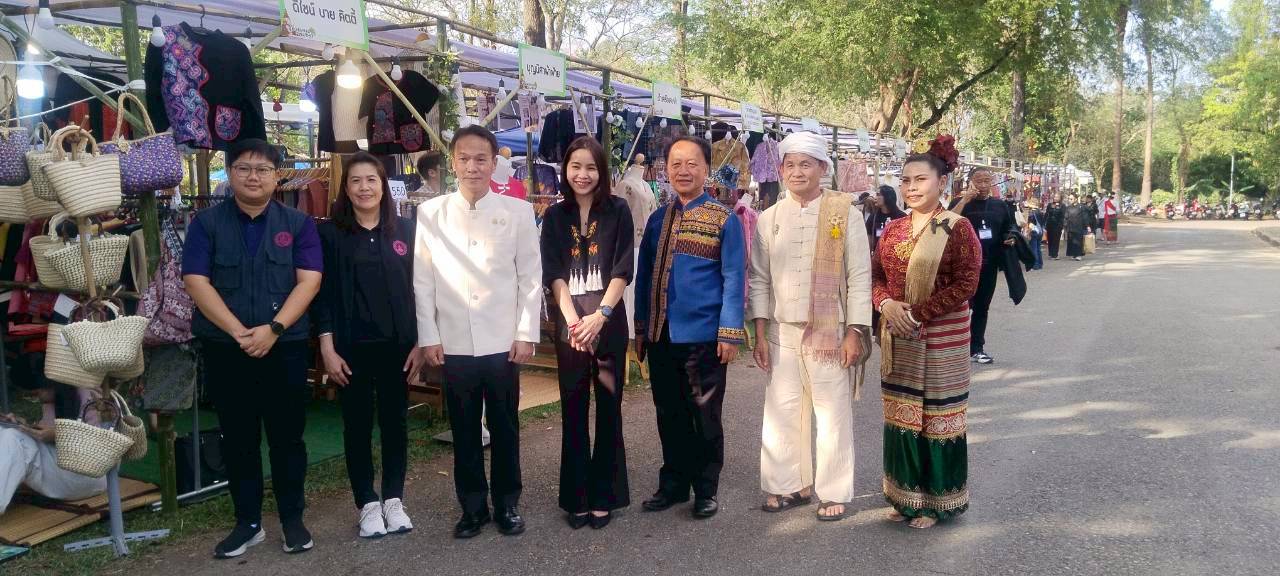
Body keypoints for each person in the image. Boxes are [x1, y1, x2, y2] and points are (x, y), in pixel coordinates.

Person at [183, 139, 323, 559]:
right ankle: (247, 522)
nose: (253, 177)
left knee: (287, 437)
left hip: (285, 348)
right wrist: (240, 332)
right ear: (230, 173)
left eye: (263, 169)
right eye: (243, 168)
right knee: (238, 438)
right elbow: (195, 280)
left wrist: (274, 329)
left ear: (277, 176)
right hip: (227, 349)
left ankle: (292, 519)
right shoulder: (206, 223)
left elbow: (309, 281)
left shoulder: (298, 223)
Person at [413, 125, 542, 539]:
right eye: (464, 159)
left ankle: (507, 503)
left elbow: (530, 278)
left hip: (503, 341)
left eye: (480, 159)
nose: (472, 167)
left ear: (493, 163)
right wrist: (429, 336)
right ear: (452, 163)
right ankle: (472, 507)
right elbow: (423, 280)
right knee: (464, 429)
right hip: (453, 341)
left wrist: (525, 332)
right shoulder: (431, 213)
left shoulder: (518, 212)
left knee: (505, 426)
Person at [748, 132, 871, 522]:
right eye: (790, 164)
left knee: (831, 414)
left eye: (806, 164)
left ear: (823, 168)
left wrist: (855, 331)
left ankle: (832, 491)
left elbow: (859, 276)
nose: (797, 172)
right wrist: (759, 332)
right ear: (781, 169)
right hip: (781, 332)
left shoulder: (845, 214)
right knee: (783, 411)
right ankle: (791, 485)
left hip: (831, 331)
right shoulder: (768, 218)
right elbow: (759, 279)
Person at [871, 135, 981, 529]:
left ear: (942, 183)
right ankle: (905, 496)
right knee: (902, 414)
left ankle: (936, 502)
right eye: (905, 180)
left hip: (941, 338)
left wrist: (917, 313)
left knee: (937, 416)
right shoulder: (893, 229)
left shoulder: (958, 228)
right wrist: (886, 304)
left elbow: (966, 283)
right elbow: (876, 276)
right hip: (899, 335)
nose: (911, 187)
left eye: (920, 179)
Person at [312, 152, 424, 539]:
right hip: (350, 349)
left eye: (371, 180)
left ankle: (393, 499)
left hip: (398, 348)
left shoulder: (406, 230)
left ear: (383, 186)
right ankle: (367, 504)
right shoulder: (330, 235)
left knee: (395, 424)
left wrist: (421, 342)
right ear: (346, 188)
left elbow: (422, 290)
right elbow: (322, 296)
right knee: (356, 426)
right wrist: (327, 348)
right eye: (356, 181)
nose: (364, 188)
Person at [634, 135, 745, 519]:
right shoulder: (656, 219)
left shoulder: (724, 219)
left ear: (706, 169)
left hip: (704, 338)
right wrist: (641, 328)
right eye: (676, 163)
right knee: (669, 413)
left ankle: (706, 488)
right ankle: (674, 484)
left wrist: (729, 332)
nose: (683, 170)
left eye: (692, 163)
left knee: (705, 415)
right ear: (666, 169)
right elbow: (644, 277)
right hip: (661, 334)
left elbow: (734, 278)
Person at [540, 137, 634, 530]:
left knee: (609, 410)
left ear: (602, 171)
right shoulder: (554, 215)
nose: (583, 174)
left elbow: (623, 269)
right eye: (575, 166)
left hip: (608, 324)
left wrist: (601, 316)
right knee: (573, 410)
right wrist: (574, 322)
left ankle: (605, 496)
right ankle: (576, 496)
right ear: (565, 170)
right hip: (571, 329)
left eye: (591, 167)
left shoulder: (618, 210)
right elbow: (553, 274)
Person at [949, 167, 1017, 365]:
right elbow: (945, 223)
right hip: (962, 266)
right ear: (970, 182)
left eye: (987, 181)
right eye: (979, 181)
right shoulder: (959, 203)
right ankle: (953, 348)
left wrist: (1010, 237)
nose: (983, 185)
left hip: (989, 265)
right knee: (959, 306)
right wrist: (964, 200)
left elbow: (1010, 227)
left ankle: (976, 348)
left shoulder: (999, 205)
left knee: (982, 307)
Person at [1, 389, 106, 515]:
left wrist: (58, 434)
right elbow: (47, 431)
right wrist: (22, 425)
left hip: (88, 475)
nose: (34, 392)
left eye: (37, 387)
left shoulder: (88, 395)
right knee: (6, 431)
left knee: (13, 438)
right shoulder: (54, 396)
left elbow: (101, 445)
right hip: (63, 466)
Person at [866, 185, 908, 254]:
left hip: (896, 256)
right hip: (878, 257)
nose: (875, 198)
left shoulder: (902, 217)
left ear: (887, 197)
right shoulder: (873, 217)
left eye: (878, 195)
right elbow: (869, 240)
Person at [1064, 195, 1088, 261]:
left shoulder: (1081, 207)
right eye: (1069, 199)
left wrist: (1087, 226)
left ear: (1076, 199)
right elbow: (1066, 217)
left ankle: (1078, 255)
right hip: (1070, 227)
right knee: (1071, 241)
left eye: (1071, 199)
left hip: (1078, 227)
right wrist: (1065, 225)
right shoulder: (1068, 207)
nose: (1070, 200)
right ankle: (1073, 254)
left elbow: (1085, 217)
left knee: (1078, 241)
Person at [1025, 198, 1045, 270]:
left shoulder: (1032, 212)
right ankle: (1040, 264)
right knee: (1038, 248)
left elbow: (1031, 224)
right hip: (1040, 231)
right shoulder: (1040, 211)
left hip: (1034, 231)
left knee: (1033, 249)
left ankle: (1035, 265)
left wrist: (1028, 232)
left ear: (1032, 204)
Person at [1044, 194, 1065, 260]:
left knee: (1056, 240)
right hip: (1050, 225)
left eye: (1057, 197)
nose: (1055, 198)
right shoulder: (1050, 205)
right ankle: (1051, 253)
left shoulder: (1062, 206)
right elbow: (1046, 214)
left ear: (1060, 198)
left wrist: (1062, 225)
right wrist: (1044, 223)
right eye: (1055, 197)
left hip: (1058, 225)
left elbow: (1063, 216)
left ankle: (1055, 254)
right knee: (1050, 239)